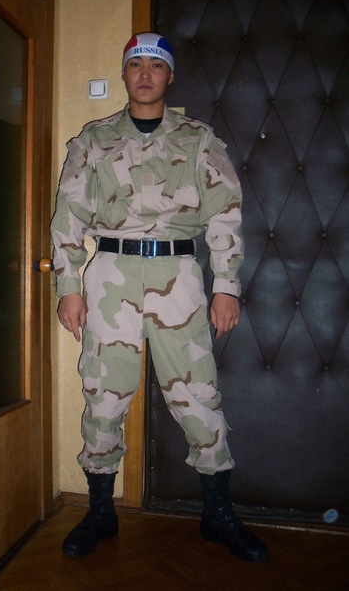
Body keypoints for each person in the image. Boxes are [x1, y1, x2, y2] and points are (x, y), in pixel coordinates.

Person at [50, 33, 269, 563]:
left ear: (170, 76)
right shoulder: (93, 139)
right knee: (103, 393)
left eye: (155, 65)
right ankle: (101, 510)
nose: (144, 73)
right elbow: (68, 216)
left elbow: (225, 215)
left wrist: (226, 286)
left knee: (197, 394)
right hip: (111, 275)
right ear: (124, 74)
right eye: (135, 65)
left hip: (179, 276)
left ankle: (217, 512)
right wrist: (68, 287)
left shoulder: (198, 140)